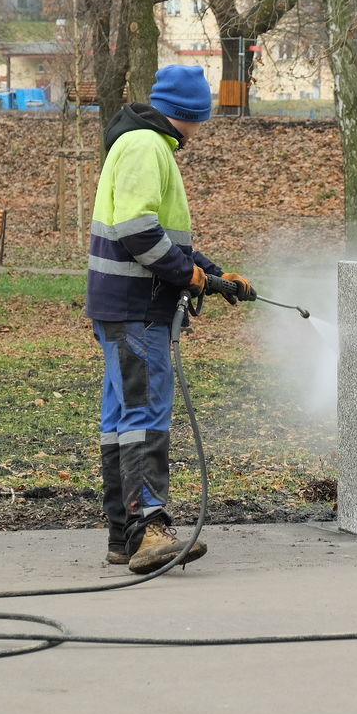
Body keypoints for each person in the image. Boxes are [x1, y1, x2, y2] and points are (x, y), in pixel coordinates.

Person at [84, 64, 253, 574]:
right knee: (146, 416)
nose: (201, 128)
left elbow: (161, 232)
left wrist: (211, 273)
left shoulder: (141, 143)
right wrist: (186, 276)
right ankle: (149, 526)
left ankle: (122, 533)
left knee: (120, 420)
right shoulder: (145, 147)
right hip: (138, 311)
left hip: (125, 306)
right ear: (189, 113)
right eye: (202, 118)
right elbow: (138, 230)